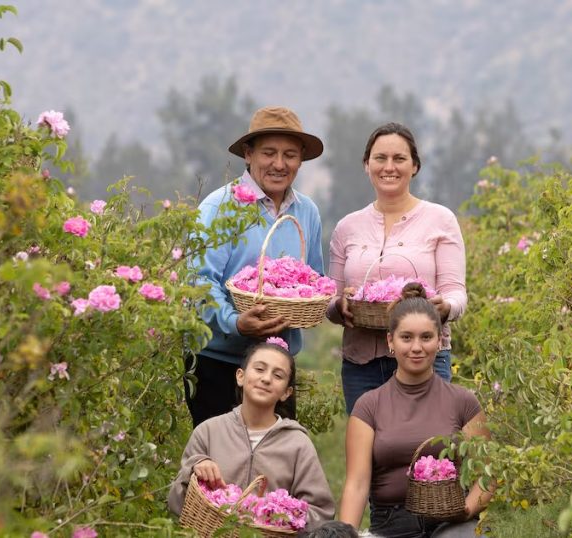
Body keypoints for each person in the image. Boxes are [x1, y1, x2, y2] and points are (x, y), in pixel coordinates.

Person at [187, 106, 325, 426]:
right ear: (248, 154)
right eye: (269, 153)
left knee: (274, 465)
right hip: (219, 361)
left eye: (290, 154)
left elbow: (314, 280)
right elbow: (199, 282)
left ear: (301, 159)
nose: (279, 164)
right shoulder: (219, 206)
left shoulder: (307, 212)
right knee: (219, 466)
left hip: (277, 367)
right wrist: (236, 322)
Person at [327, 122, 467, 414]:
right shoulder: (347, 227)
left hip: (425, 358)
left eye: (399, 159)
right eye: (380, 158)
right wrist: (339, 305)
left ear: (414, 166)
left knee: (426, 449)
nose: (389, 167)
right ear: (367, 165)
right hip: (361, 364)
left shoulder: (440, 220)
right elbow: (331, 298)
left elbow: (456, 294)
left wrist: (444, 308)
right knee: (368, 452)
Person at [339, 283, 492, 537]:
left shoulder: (464, 402)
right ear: (391, 341)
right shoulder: (368, 406)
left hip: (452, 524)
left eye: (426, 337)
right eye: (406, 337)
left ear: (440, 339)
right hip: (390, 525)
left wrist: (465, 510)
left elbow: (487, 476)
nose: (417, 347)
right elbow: (356, 484)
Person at [168, 342, 336, 530]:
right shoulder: (208, 431)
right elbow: (175, 502)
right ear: (240, 376)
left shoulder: (298, 444)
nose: (266, 379)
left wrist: (282, 516)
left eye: (278, 375)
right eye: (259, 369)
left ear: (286, 393)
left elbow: (321, 512)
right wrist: (194, 469)